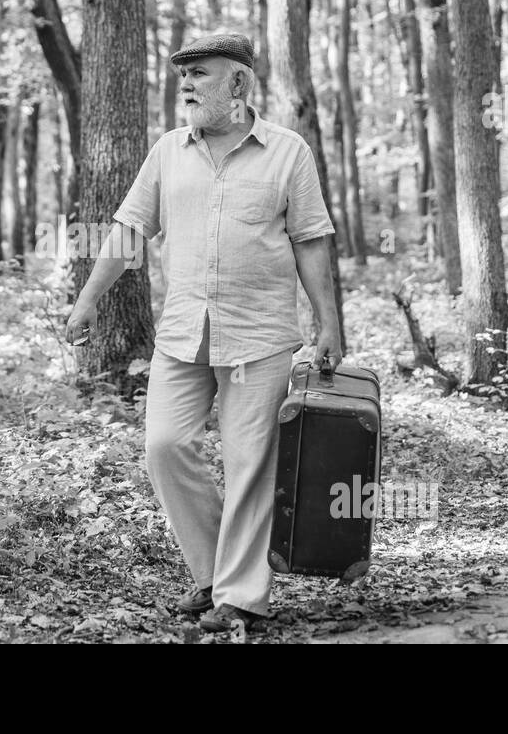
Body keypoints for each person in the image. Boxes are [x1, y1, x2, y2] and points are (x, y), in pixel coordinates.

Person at [65, 32, 343, 633]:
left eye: (200, 74)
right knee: (164, 446)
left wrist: (328, 324)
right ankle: (214, 574)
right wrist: (88, 300)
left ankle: (240, 597)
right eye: (182, 75)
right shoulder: (168, 151)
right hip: (184, 332)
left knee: (250, 465)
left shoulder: (287, 152)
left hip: (261, 334)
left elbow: (311, 240)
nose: (186, 85)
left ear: (239, 84)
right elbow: (130, 229)